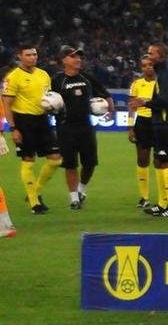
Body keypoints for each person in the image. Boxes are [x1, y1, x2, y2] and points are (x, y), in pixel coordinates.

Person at [50, 45, 114, 210]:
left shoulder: (87, 78)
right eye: (73, 57)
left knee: (90, 163)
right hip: (65, 127)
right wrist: (51, 108)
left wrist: (109, 108)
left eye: (79, 57)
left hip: (85, 126)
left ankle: (81, 190)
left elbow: (105, 94)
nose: (78, 59)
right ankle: (74, 199)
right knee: (70, 164)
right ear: (64, 60)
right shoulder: (56, 80)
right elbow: (46, 101)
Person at [1, 44, 59, 213]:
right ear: (20, 56)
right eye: (28, 55)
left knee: (56, 159)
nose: (32, 57)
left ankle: (35, 191)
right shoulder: (13, 77)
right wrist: (13, 128)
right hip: (23, 121)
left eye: (34, 54)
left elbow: (47, 98)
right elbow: (7, 104)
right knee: (28, 160)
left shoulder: (44, 75)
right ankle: (35, 203)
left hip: (42, 120)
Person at [128, 42, 168, 217]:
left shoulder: (166, 74)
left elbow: (165, 101)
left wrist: (145, 102)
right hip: (161, 123)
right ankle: (162, 203)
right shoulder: (163, 73)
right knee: (159, 161)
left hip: (167, 124)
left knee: (165, 161)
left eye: (152, 53)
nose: (149, 56)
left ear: (161, 56)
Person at [128, 56, 156, 208]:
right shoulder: (137, 84)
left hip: (158, 123)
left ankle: (167, 195)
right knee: (143, 160)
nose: (147, 68)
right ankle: (144, 197)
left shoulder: (161, 83)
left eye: (150, 65)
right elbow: (132, 107)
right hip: (143, 123)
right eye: (144, 65)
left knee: (161, 160)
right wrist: (130, 127)